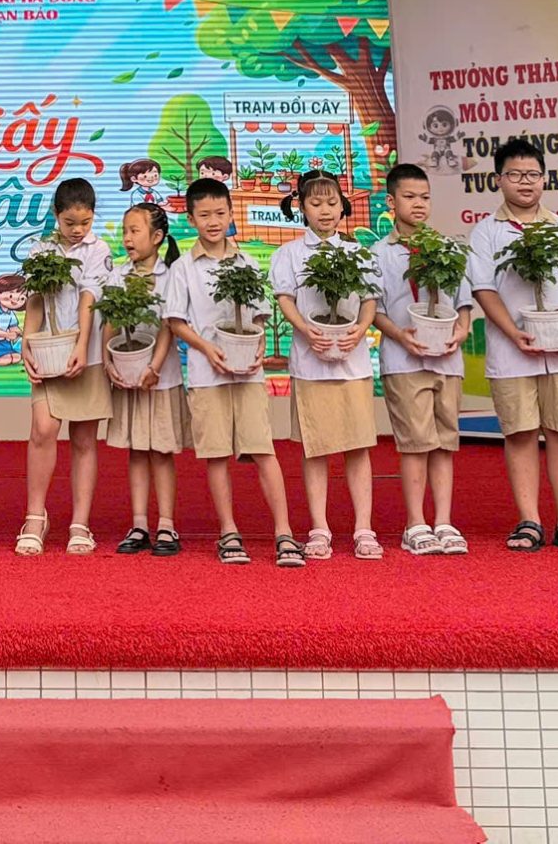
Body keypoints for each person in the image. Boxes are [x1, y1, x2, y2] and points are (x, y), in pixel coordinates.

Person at [466, 136, 558, 554]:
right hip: (511, 354)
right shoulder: (486, 233)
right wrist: (513, 333)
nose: (525, 182)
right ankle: (529, 521)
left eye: (533, 174)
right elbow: (484, 289)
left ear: (545, 178)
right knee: (520, 434)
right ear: (498, 179)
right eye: (515, 174)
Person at [167, 176, 303, 568]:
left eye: (220, 213)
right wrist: (207, 348)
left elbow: (259, 315)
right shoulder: (183, 268)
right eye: (204, 215)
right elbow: (175, 321)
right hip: (206, 374)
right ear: (191, 219)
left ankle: (284, 532)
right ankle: (228, 531)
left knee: (262, 449)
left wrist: (258, 344)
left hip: (248, 374)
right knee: (216, 454)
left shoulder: (246, 263)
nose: (213, 221)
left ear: (231, 214)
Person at [270, 169, 380, 560]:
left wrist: (361, 329)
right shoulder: (289, 254)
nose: (325, 210)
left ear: (343, 205)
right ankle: (319, 528)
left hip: (353, 363)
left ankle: (364, 528)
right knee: (314, 448)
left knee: (357, 446)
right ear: (301, 207)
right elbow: (285, 298)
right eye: (316, 203)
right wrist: (305, 330)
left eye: (332, 202)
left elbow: (369, 298)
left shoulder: (356, 252)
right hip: (310, 363)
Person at [372, 162, 470, 556]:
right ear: (391, 201)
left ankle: (444, 521)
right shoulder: (380, 253)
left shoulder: (447, 249)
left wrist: (462, 329)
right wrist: (400, 336)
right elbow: (375, 310)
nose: (419, 204)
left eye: (425, 197)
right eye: (409, 197)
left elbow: (464, 301)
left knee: (445, 442)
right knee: (415, 443)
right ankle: (415, 523)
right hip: (404, 360)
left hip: (447, 358)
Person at [17, 177, 113, 556]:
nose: (77, 230)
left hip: (86, 356)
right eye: (70, 222)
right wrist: (26, 342)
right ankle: (35, 517)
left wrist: (81, 346)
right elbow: (36, 301)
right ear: (56, 215)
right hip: (48, 353)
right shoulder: (41, 249)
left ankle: (79, 523)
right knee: (43, 429)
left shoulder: (98, 249)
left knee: (84, 439)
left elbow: (90, 298)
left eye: (85, 222)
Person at [105, 198, 186, 557]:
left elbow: (169, 325)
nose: (127, 238)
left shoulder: (172, 276)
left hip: (161, 378)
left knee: (161, 451)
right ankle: (139, 524)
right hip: (128, 376)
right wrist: (108, 361)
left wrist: (153, 367)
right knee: (136, 450)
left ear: (157, 237)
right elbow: (110, 320)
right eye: (125, 231)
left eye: (134, 231)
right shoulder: (118, 275)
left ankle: (166, 524)